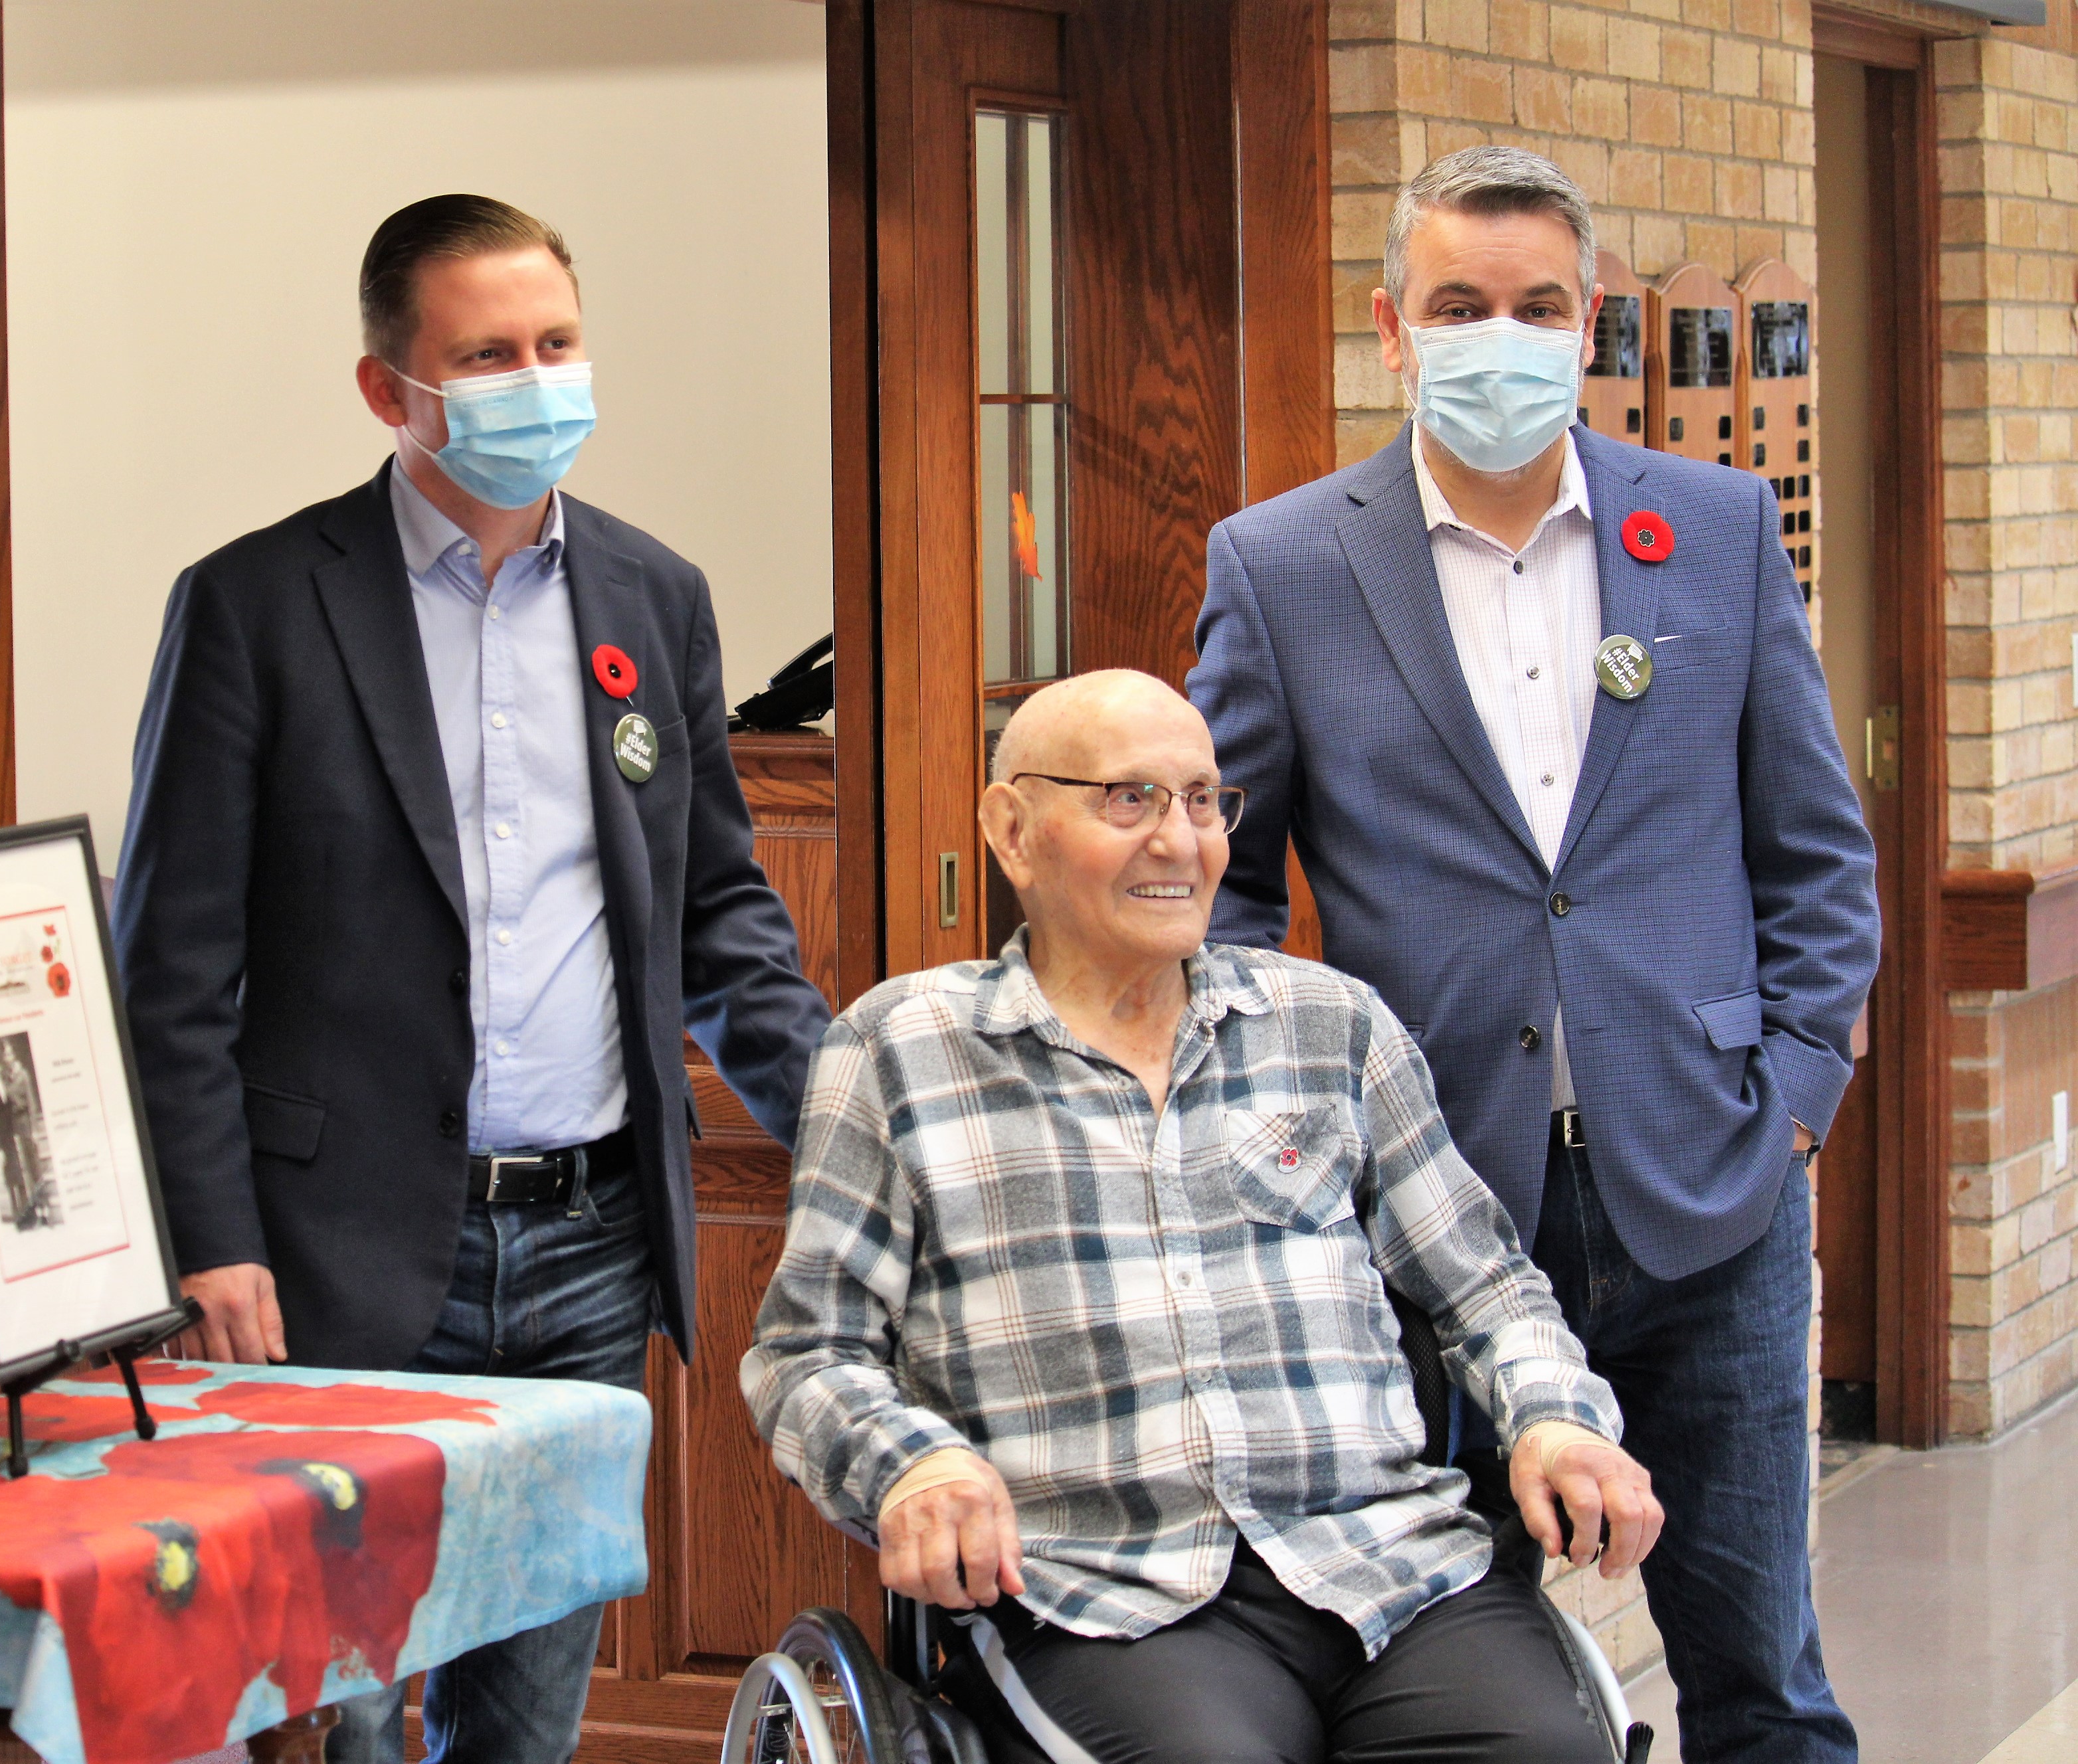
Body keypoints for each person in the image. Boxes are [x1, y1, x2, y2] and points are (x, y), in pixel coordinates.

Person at [114, 193, 832, 1764]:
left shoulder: (655, 594)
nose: (536, 381)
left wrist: (851, 1121)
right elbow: (168, 964)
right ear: (390, 388)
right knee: (352, 1707)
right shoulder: (256, 603)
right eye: (488, 355)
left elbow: (718, 908)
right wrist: (211, 1235)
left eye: (558, 343)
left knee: (525, 1711)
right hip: (344, 1252)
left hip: (589, 1244)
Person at [1188, 146, 1876, 1763]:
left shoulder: (1708, 527)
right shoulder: (1282, 561)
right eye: (1460, 305)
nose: (1501, 336)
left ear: (1589, 326)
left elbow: (1816, 845)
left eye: (1539, 306)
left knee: (1762, 1667)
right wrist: (1274, 1136)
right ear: (1393, 326)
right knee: (1469, 1693)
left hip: (1712, 1186)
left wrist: (1798, 1090)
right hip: (1426, 1214)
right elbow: (1209, 891)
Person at [745, 670, 1663, 1764]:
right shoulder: (900, 1052)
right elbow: (809, 1354)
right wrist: (916, 1466)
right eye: (1128, 799)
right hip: (1098, 1593)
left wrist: (1556, 1416)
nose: (1179, 841)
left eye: (1201, 801)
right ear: (1012, 829)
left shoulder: (1330, 1027)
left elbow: (1486, 1287)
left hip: (1390, 1569)